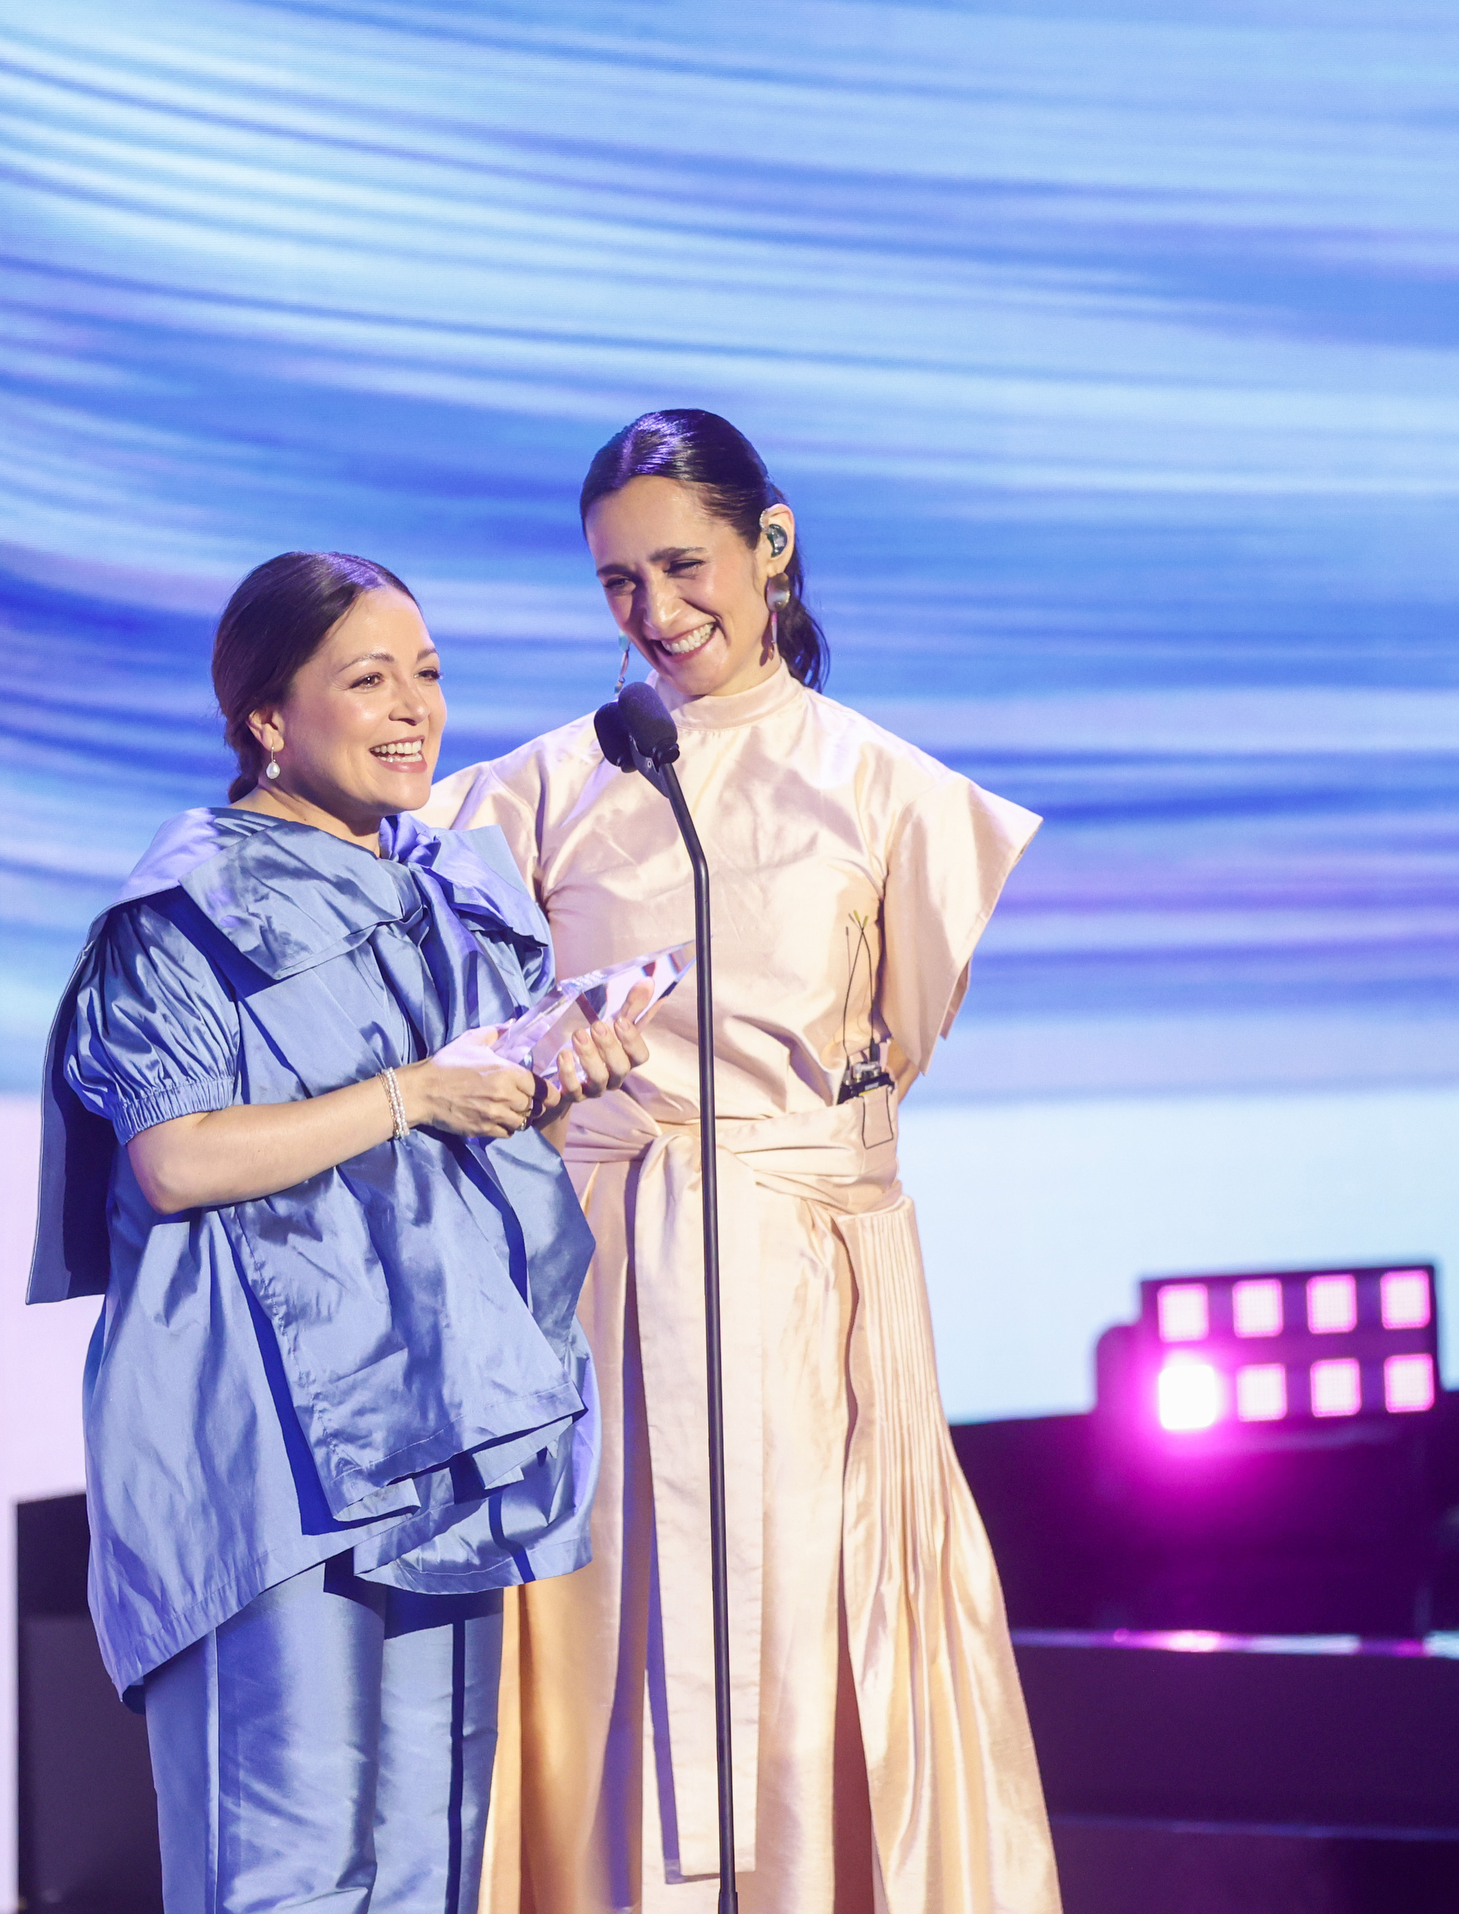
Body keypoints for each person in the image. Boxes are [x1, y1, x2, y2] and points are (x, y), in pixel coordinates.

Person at [424, 413, 1063, 1912]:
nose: (655, 613)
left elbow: (884, 1052)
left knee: (805, 1650)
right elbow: (458, 1056)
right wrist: (538, 1069)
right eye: (617, 582)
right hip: (600, 1290)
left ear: (770, 545)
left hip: (800, 1291)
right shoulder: (529, 792)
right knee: (606, 1650)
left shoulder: (896, 793)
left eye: (683, 564)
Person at [27, 551, 652, 1914]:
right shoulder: (183, 916)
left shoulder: (451, 892)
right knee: (292, 1871)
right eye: (367, 679)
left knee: (431, 1865)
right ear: (267, 716)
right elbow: (178, 1157)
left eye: (426, 675)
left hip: (442, 1416)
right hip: (265, 1457)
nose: (413, 708)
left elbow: (462, 1143)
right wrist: (411, 1094)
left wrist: (548, 1077)